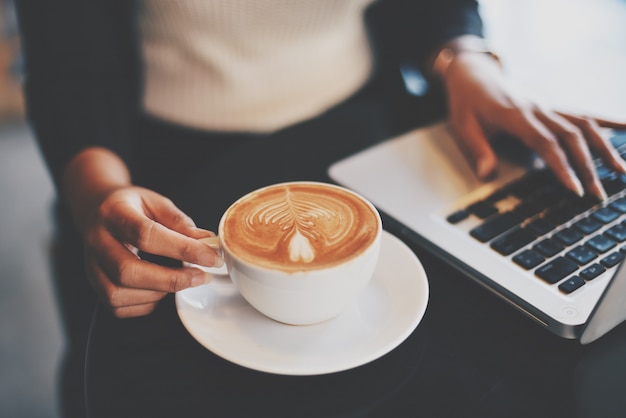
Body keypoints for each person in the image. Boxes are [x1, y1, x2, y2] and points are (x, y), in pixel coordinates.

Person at [14, 0, 626, 416]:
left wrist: (465, 59)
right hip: (161, 157)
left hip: (370, 114)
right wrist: (99, 192)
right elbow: (70, 64)